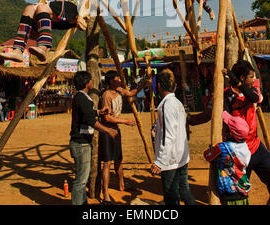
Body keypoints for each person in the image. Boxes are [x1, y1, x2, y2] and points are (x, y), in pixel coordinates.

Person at [223, 60, 270, 205]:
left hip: (256, 147)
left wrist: (236, 81)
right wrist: (191, 120)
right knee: (240, 191)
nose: (253, 80)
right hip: (239, 153)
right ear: (242, 77)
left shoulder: (252, 90)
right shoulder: (227, 96)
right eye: (250, 77)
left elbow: (254, 98)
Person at [98, 70, 149, 204]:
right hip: (107, 131)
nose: (120, 79)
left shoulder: (119, 90)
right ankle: (106, 193)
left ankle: (122, 185)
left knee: (119, 160)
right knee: (107, 162)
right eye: (117, 78)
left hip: (116, 131)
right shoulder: (106, 96)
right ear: (110, 80)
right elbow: (107, 117)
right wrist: (124, 121)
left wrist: (143, 84)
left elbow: (131, 93)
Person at [69, 71, 118, 205]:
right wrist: (108, 130)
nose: (92, 82)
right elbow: (91, 121)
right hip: (81, 144)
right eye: (90, 80)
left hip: (82, 142)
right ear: (87, 83)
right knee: (81, 180)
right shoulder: (82, 98)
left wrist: (98, 112)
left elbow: (86, 114)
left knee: (82, 177)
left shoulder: (81, 97)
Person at [150, 68, 196, 205]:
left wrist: (159, 161)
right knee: (185, 192)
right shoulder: (177, 103)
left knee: (171, 196)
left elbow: (168, 136)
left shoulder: (166, 105)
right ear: (175, 86)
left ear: (158, 86)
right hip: (181, 155)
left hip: (171, 160)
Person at [204, 111, 251, 205]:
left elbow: (207, 156)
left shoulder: (222, 148)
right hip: (242, 190)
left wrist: (211, 149)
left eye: (225, 125)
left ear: (229, 133)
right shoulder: (245, 147)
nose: (222, 126)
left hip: (228, 192)